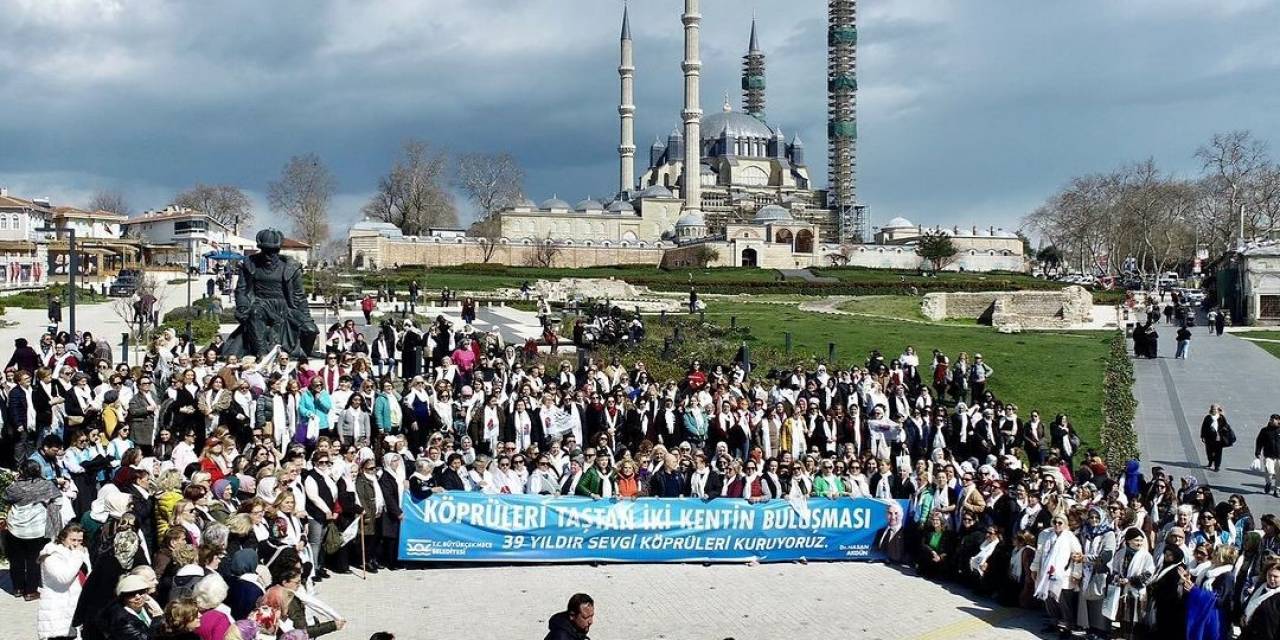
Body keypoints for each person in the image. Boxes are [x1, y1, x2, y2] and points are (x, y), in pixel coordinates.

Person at [4, 458, 64, 600]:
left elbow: (6, 496)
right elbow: (58, 500)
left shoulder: (14, 487)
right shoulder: (46, 485)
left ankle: (18, 588)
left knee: (16, 559)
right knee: (33, 560)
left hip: (15, 527)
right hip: (37, 528)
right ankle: (31, 591)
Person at [1200, 404, 1231, 473]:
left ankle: (1217, 466)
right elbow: (1204, 427)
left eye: (1215, 409)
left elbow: (1225, 427)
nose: (1213, 410)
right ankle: (1210, 461)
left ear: (1218, 410)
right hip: (1209, 438)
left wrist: (1223, 433)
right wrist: (1202, 436)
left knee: (1218, 453)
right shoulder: (1208, 417)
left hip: (1218, 438)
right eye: (1212, 409)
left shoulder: (1221, 418)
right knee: (1209, 451)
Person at [1256, 414, 1280, 497]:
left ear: (1278, 421)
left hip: (1279, 456)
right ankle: (1268, 483)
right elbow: (1259, 441)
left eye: (1274, 419)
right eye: (1271, 419)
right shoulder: (1265, 430)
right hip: (1269, 455)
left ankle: (1277, 490)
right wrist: (1258, 452)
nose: (1272, 421)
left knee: (1279, 474)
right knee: (1269, 472)